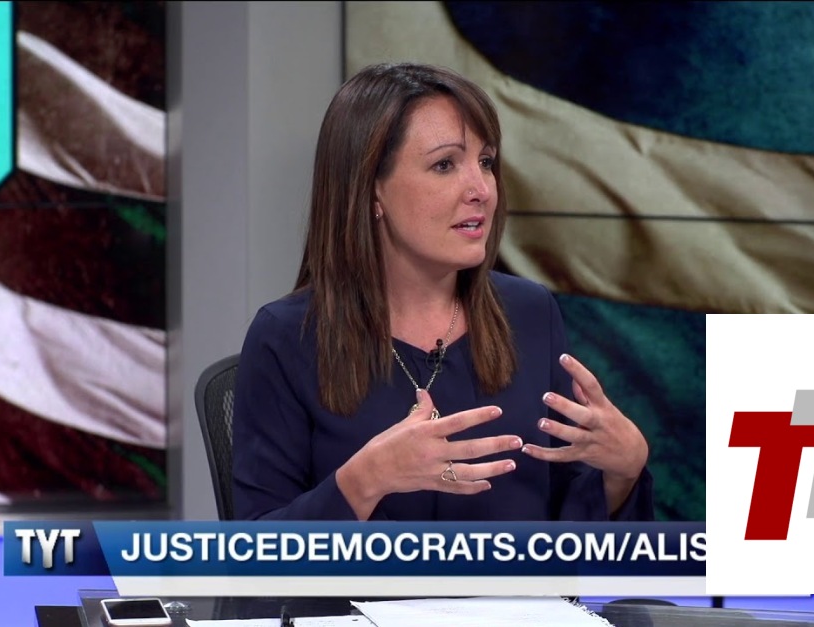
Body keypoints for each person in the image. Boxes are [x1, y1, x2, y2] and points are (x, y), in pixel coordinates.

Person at [231, 62, 652, 521]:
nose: (481, 189)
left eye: (486, 162)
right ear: (372, 191)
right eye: (445, 165)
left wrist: (623, 471)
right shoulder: (287, 336)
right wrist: (363, 481)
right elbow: (257, 548)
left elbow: (566, 527)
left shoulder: (529, 313)